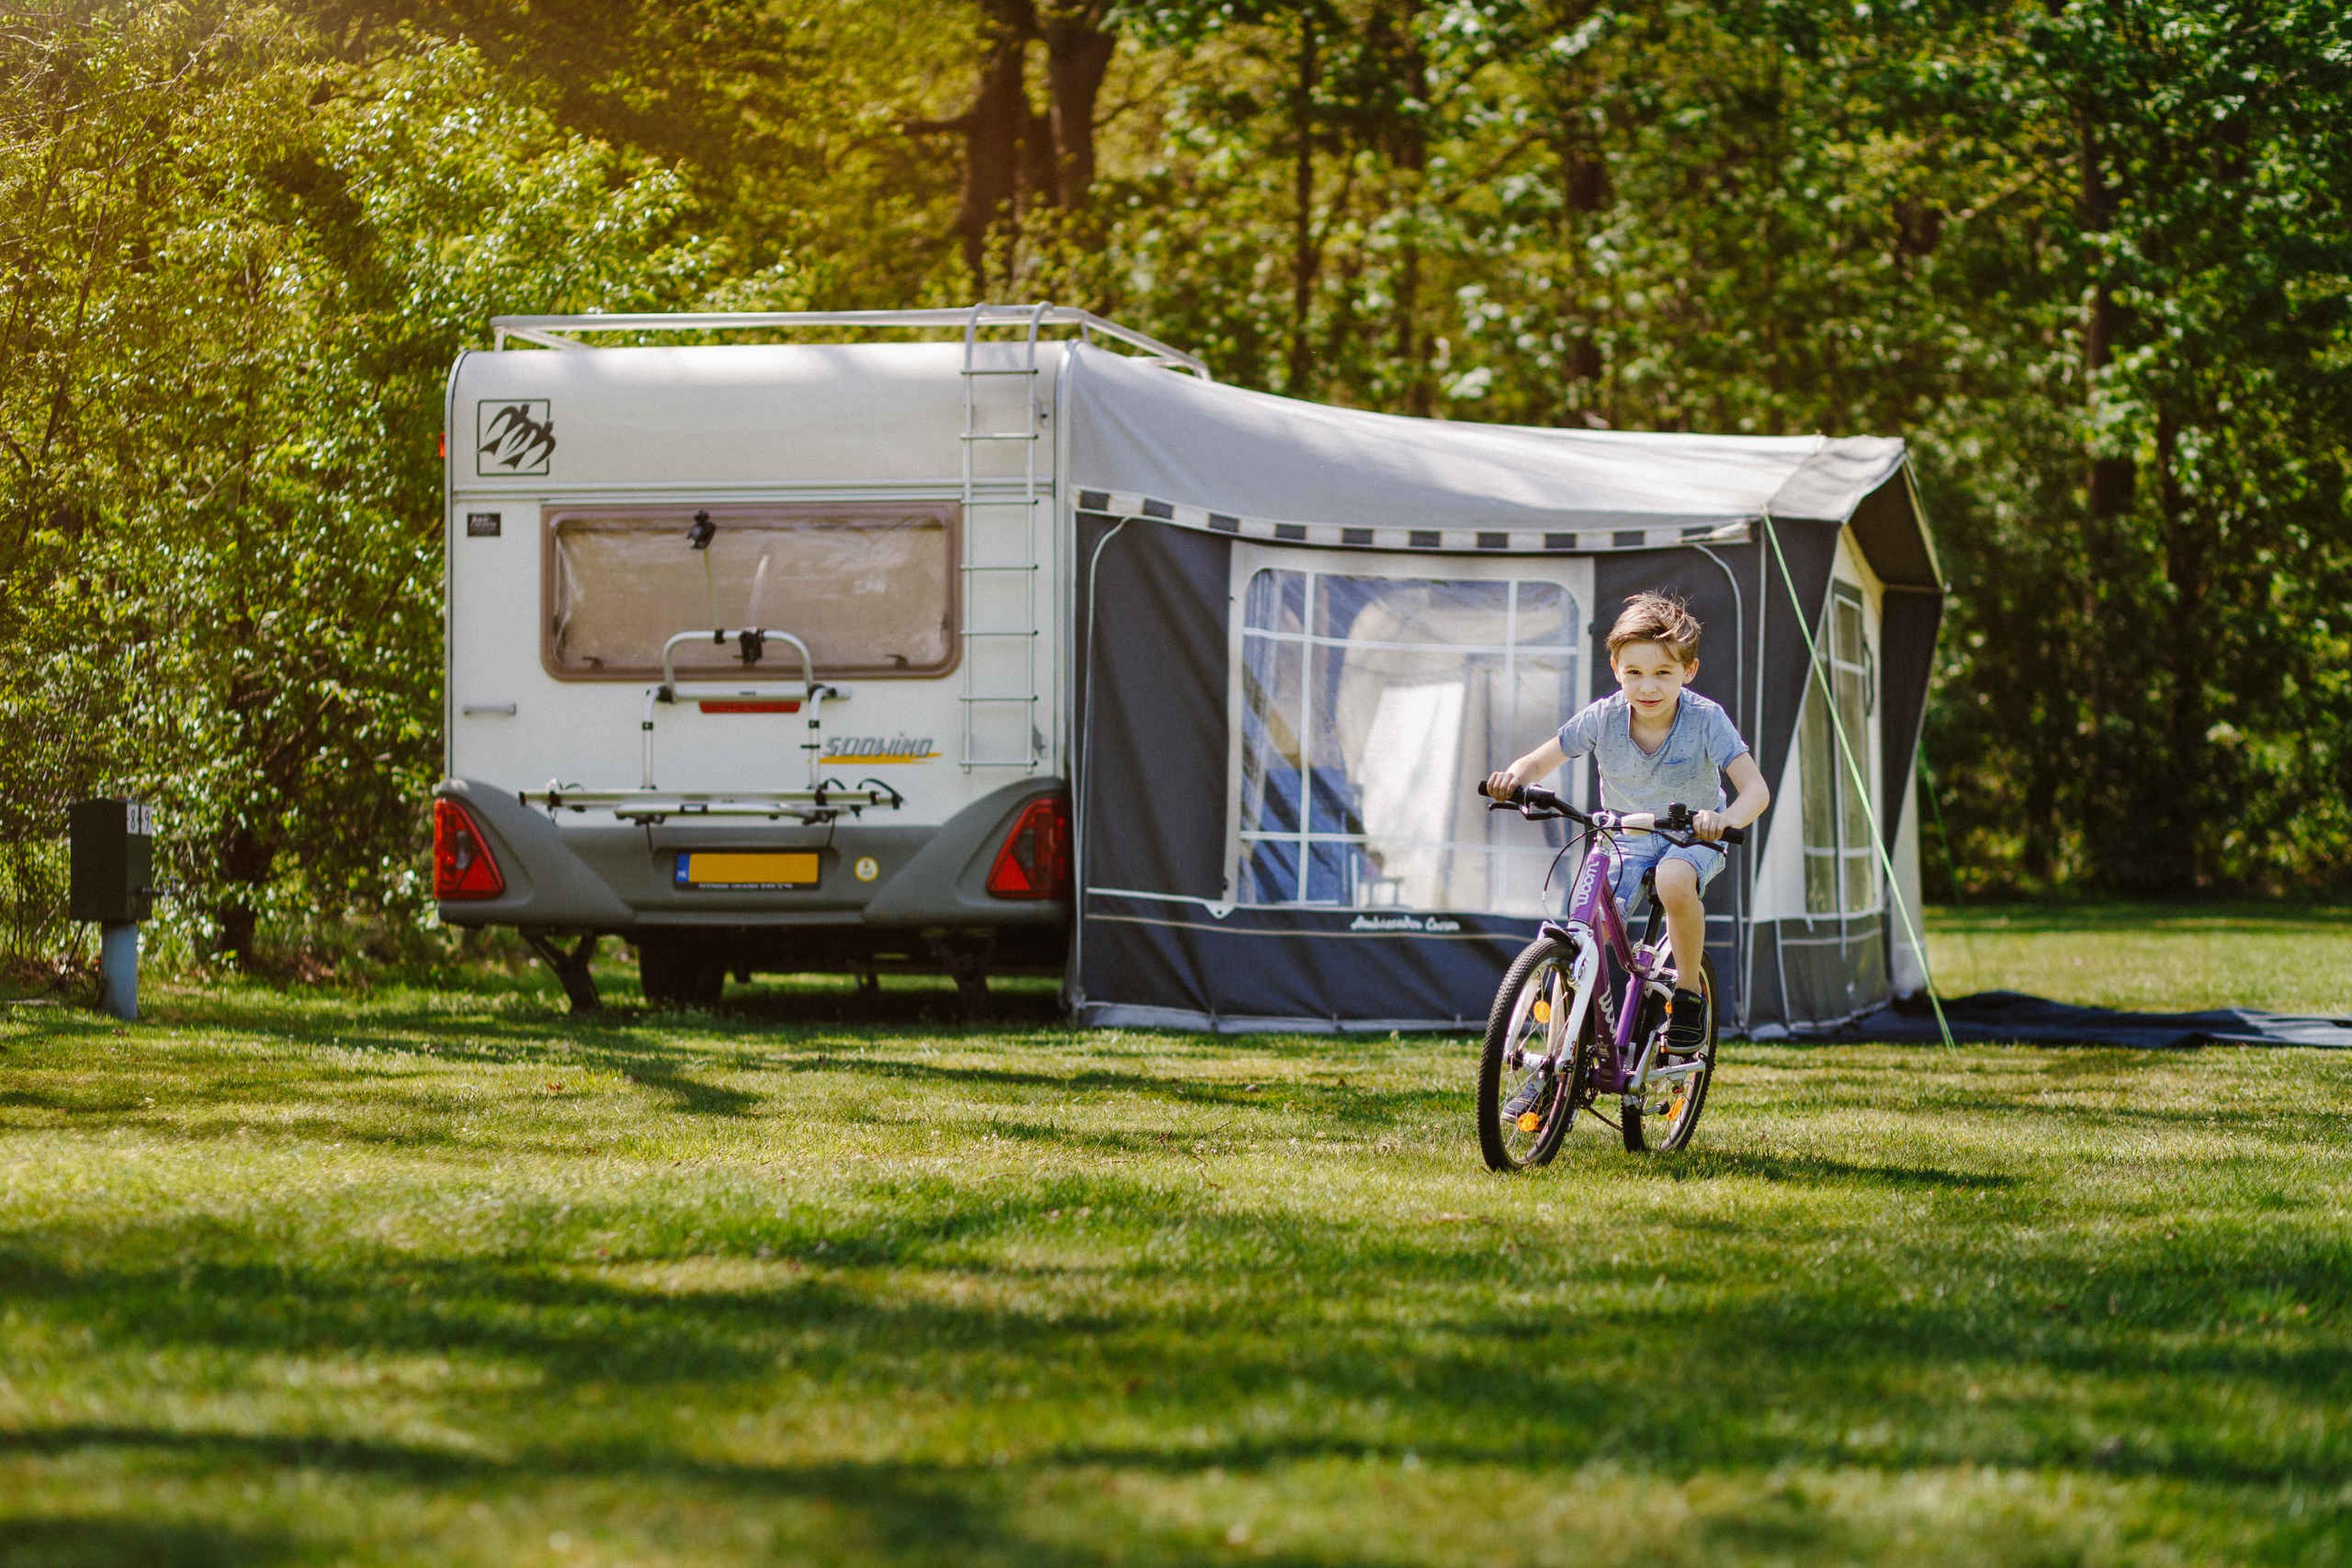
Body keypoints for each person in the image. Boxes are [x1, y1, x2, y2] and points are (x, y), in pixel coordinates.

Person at [1484, 590, 1770, 1058]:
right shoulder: (1604, 717)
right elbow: (1540, 760)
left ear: (1688, 672)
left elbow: (1755, 791)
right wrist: (1514, 778)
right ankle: (1554, 1062)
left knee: (1674, 879)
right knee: (1581, 933)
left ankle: (1688, 996)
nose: (1647, 687)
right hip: (1624, 838)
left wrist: (1724, 819)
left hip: (1690, 837)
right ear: (1616, 668)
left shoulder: (1706, 720)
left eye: (1663, 673)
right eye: (1634, 673)